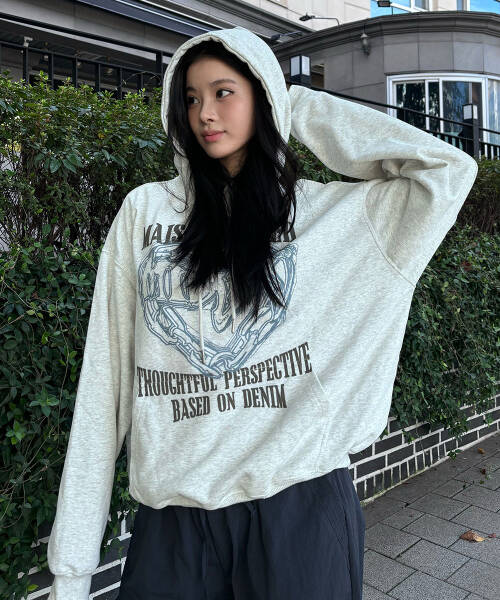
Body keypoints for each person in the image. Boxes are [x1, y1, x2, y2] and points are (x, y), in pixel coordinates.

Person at [46, 25, 478, 600]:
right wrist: (73, 566)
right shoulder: (145, 214)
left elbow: (447, 171)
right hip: (175, 524)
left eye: (224, 92)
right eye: (191, 98)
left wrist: (292, 105)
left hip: (297, 513)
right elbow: (105, 383)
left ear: (263, 98)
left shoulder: (333, 218)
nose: (204, 113)